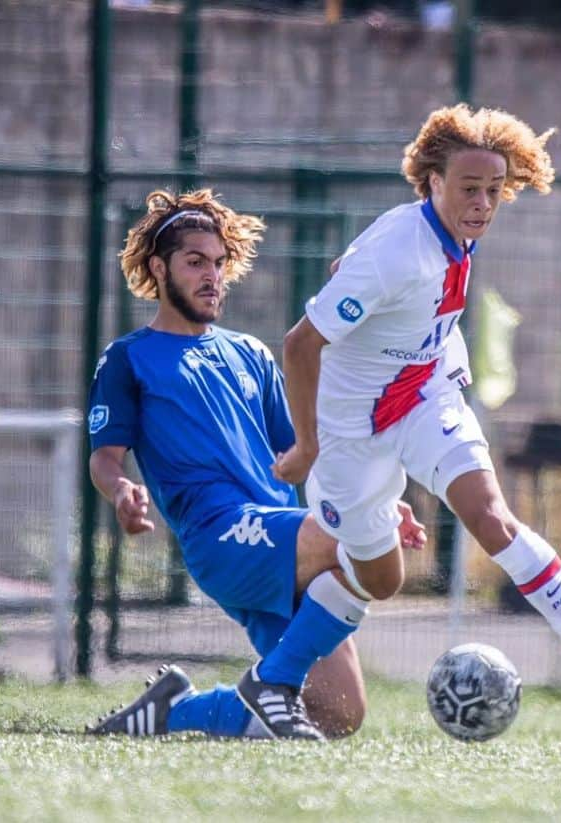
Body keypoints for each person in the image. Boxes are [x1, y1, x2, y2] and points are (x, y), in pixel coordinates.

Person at [269, 103, 561, 729]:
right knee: (380, 581)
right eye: (469, 188)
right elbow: (300, 344)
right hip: (349, 437)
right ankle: (280, 666)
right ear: (433, 181)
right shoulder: (396, 249)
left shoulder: (456, 238)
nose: (483, 202)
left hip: (423, 397)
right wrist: (306, 447)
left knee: (492, 518)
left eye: (494, 190)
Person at [85, 188, 426, 741]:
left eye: (218, 264)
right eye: (195, 262)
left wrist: (382, 499)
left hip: (281, 537)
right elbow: (104, 456)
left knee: (339, 713)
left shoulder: (250, 353)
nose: (211, 276)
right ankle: (273, 681)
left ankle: (177, 709)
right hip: (222, 534)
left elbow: (306, 453)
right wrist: (121, 489)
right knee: (367, 549)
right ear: (158, 267)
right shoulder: (129, 358)